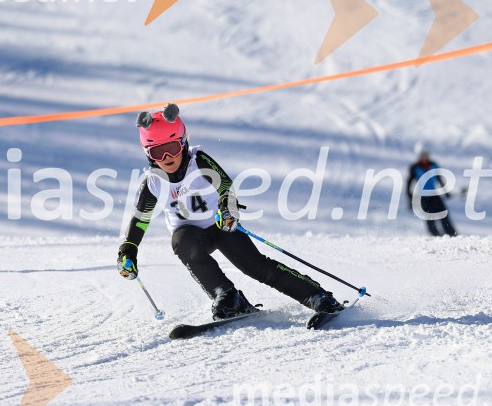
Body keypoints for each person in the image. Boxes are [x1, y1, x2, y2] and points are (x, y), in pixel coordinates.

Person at [116, 103, 344, 320]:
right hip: (192, 237)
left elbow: (226, 187)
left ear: (183, 143)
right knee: (181, 241)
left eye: (171, 148)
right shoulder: (153, 182)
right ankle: (227, 297)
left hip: (221, 225)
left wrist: (227, 209)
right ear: (148, 154)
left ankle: (317, 296)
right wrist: (128, 249)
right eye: (157, 152)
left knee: (255, 267)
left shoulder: (199, 161)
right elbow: (140, 219)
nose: (166, 158)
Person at [407, 144, 458, 237]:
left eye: (426, 154)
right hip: (423, 197)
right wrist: (410, 200)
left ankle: (451, 234)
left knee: (444, 214)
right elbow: (408, 185)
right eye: (422, 155)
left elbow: (439, 179)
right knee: (430, 218)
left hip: (435, 195)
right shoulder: (414, 167)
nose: (424, 157)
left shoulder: (433, 164)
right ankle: (435, 236)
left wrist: (446, 192)